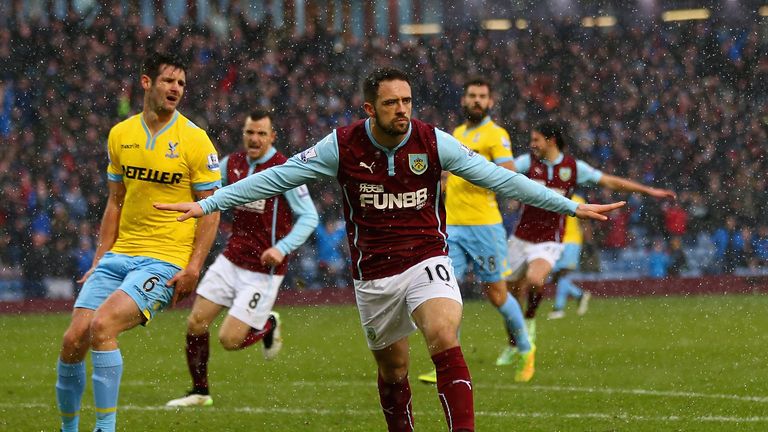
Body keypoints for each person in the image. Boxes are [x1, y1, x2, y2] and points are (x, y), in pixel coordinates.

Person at [155, 68, 624, 432]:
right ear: (369, 108)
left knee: (443, 332)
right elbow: (276, 177)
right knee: (395, 370)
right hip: (373, 275)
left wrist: (570, 207)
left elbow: (502, 178)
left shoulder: (434, 141)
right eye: (391, 103)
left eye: (406, 101)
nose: (402, 110)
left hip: (426, 258)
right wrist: (208, 204)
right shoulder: (340, 146)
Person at [55, 52, 222, 432]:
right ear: (147, 83)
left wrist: (193, 267)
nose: (176, 89)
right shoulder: (120, 135)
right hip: (119, 256)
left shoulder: (195, 140)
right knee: (72, 341)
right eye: (168, 81)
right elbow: (115, 202)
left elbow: (211, 211)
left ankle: (105, 428)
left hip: (164, 261)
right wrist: (100, 258)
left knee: (103, 326)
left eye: (181, 83)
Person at [166, 109, 319, 407]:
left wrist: (281, 248)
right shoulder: (231, 164)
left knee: (229, 340)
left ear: (272, 137)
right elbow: (207, 193)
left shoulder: (285, 169)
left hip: (263, 270)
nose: (255, 138)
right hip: (231, 258)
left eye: (262, 133)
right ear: (244, 134)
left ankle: (268, 326)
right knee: (196, 323)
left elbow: (308, 217)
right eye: (250, 132)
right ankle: (200, 392)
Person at [505, 121, 676, 364]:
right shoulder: (527, 163)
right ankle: (513, 342)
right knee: (509, 297)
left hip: (550, 239)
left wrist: (648, 191)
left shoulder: (573, 167)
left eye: (536, 140)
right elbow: (499, 172)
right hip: (520, 237)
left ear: (550, 140)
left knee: (535, 280)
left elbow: (609, 181)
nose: (532, 145)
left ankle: (530, 321)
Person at [417, 78, 534, 384]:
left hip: (484, 226)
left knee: (496, 295)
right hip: (452, 226)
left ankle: (525, 348)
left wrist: (475, 169)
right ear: (464, 100)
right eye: (472, 96)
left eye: (483, 96)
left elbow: (508, 173)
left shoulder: (496, 134)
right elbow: (446, 176)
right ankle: (445, 362)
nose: (477, 100)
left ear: (490, 102)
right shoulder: (456, 134)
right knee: (444, 293)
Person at [547, 193, 592, 320]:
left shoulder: (578, 200)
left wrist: (588, 242)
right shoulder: (555, 197)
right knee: (555, 276)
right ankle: (579, 294)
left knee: (563, 274)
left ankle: (558, 308)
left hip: (572, 242)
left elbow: (585, 222)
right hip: (556, 241)